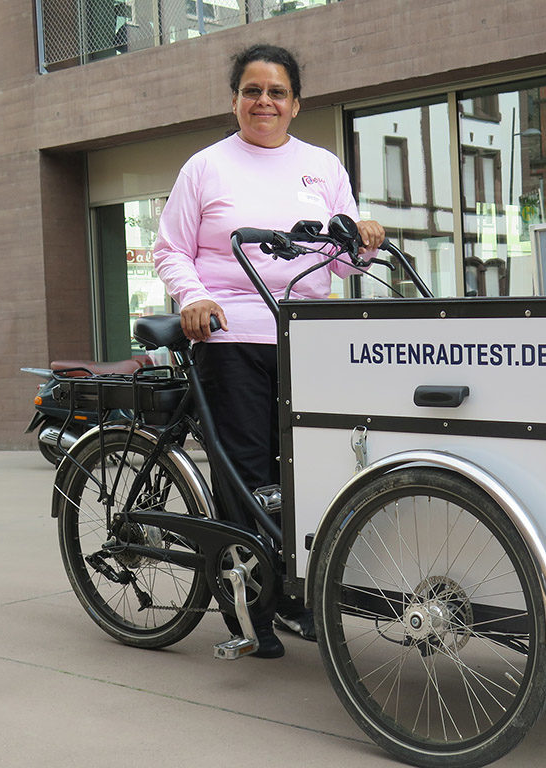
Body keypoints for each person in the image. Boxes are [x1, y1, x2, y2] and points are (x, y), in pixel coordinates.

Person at [153, 44, 384, 658]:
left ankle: (293, 595)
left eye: (276, 92)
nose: (264, 102)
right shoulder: (205, 167)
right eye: (252, 91)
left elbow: (347, 254)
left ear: (295, 104)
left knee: (309, 474)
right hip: (230, 334)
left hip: (307, 338)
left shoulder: (322, 167)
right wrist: (193, 298)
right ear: (234, 101)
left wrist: (364, 240)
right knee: (250, 475)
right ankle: (248, 608)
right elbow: (171, 249)